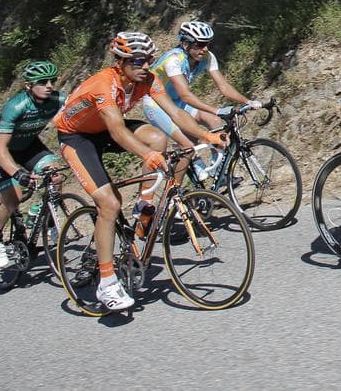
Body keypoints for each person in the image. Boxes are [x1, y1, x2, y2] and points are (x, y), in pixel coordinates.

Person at [53, 31, 225, 311]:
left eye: (148, 60)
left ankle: (143, 205)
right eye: (137, 61)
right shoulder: (104, 85)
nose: (145, 66)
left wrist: (208, 137)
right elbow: (118, 131)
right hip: (77, 137)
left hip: (105, 129)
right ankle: (107, 283)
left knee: (159, 138)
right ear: (119, 61)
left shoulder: (146, 80)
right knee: (109, 203)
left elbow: (176, 113)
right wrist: (148, 155)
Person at [142, 21, 261, 177]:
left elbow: (223, 86)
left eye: (208, 44)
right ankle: (183, 179)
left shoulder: (207, 57)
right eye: (199, 44)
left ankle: (219, 172)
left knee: (214, 121)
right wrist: (217, 110)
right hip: (156, 104)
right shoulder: (173, 60)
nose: (204, 49)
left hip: (177, 102)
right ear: (186, 44)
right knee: (189, 144)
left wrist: (247, 102)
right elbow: (185, 95)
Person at [0, 61, 66, 269]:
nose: (49, 85)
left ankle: (38, 214)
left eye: (52, 81)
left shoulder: (57, 100)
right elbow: (0, 148)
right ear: (28, 86)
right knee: (13, 199)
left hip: (28, 145)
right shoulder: (16, 106)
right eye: (42, 82)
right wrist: (18, 173)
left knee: (55, 175)